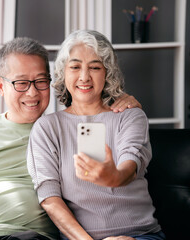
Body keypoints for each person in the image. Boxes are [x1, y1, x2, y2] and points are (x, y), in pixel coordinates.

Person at [0, 37, 141, 240]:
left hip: (34, 236)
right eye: (21, 83)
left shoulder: (61, 130)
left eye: (40, 81)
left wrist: (122, 101)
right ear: (1, 86)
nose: (32, 93)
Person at [26, 30, 165, 240]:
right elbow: (49, 199)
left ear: (107, 72)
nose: (84, 77)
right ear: (63, 73)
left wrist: (114, 177)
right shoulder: (47, 128)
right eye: (75, 67)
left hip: (138, 235)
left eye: (95, 67)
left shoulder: (130, 116)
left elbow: (132, 162)